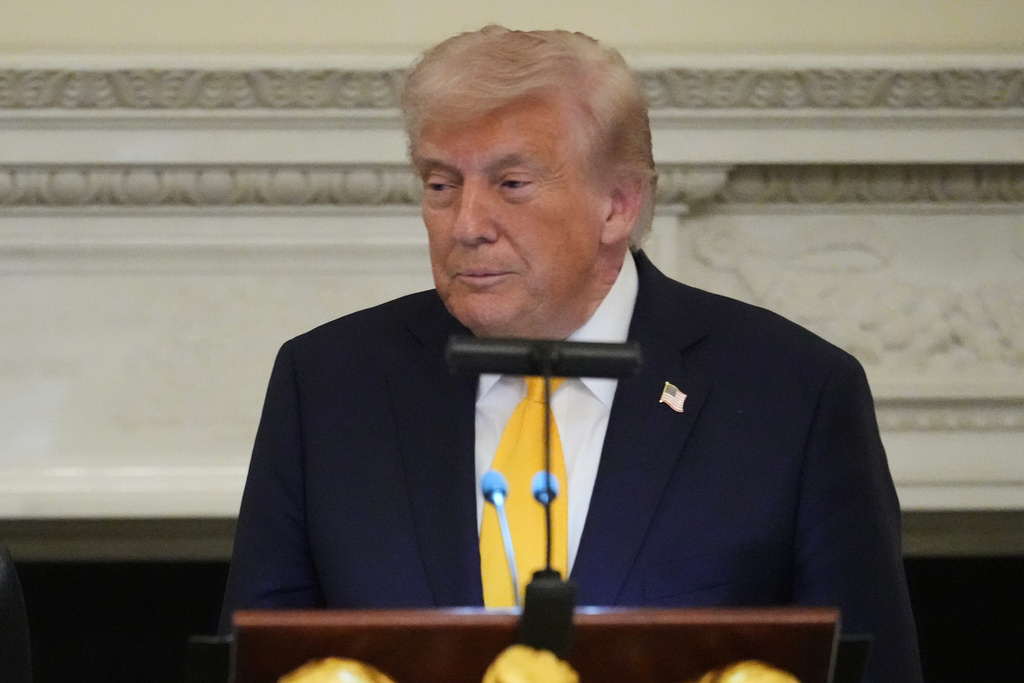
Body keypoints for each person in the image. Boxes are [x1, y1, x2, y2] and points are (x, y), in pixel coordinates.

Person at [220, 26, 922, 682]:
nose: (465, 225)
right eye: (440, 185)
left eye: (510, 184)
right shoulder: (329, 387)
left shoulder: (793, 396)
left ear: (618, 203)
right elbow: (255, 660)